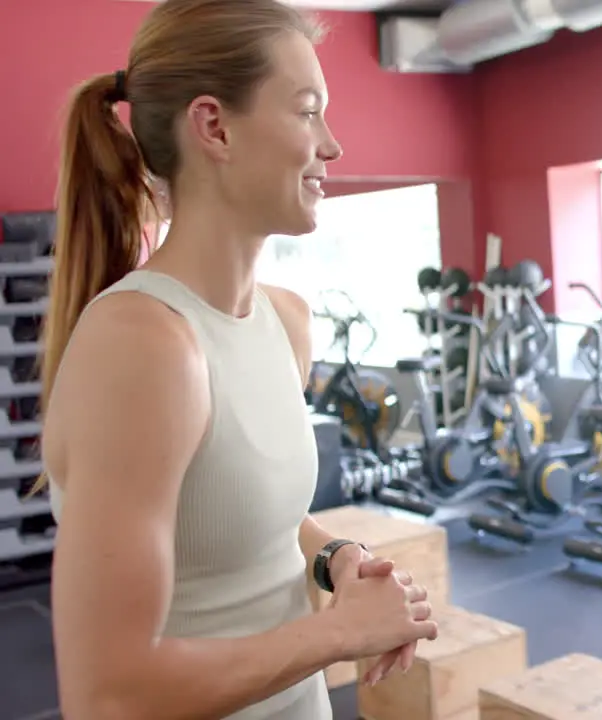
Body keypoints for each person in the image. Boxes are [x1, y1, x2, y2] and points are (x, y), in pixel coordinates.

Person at [37, 1, 439, 718]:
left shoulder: (285, 321)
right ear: (215, 127)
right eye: (307, 111)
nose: (333, 146)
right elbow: (110, 693)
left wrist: (336, 558)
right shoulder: (145, 345)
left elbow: (249, 521)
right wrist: (338, 632)